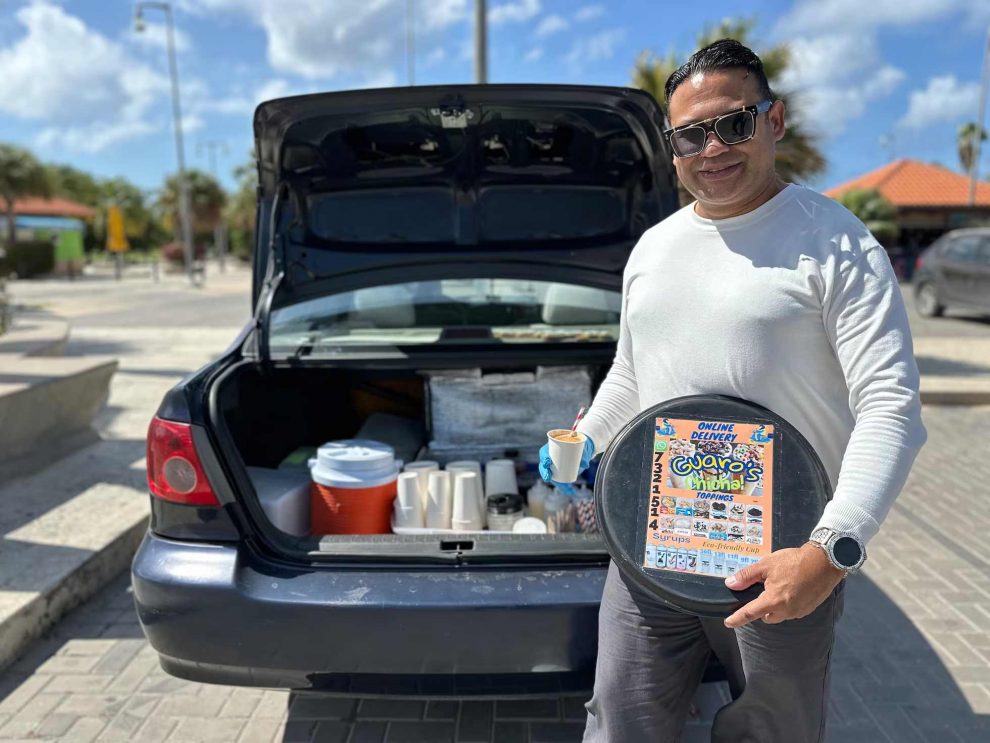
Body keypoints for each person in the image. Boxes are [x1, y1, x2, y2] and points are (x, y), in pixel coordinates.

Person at [539, 39, 926, 742]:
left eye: (733, 124)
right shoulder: (654, 248)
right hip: (650, 546)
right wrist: (586, 437)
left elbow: (891, 408)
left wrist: (830, 552)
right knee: (620, 720)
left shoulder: (838, 246)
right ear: (672, 146)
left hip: (780, 562)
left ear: (773, 122)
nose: (711, 147)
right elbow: (631, 373)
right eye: (691, 134)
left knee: (770, 731)